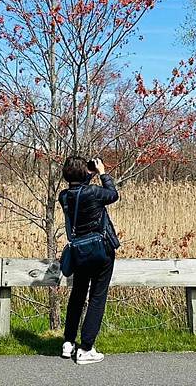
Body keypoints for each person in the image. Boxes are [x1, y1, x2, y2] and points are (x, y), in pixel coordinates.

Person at [59, 156, 120, 365]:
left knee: (77, 294)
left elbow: (79, 188)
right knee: (97, 297)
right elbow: (113, 195)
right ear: (84, 173)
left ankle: (68, 342)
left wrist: (87, 174)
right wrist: (102, 172)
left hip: (79, 252)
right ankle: (86, 348)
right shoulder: (93, 192)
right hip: (101, 250)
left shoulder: (64, 196)